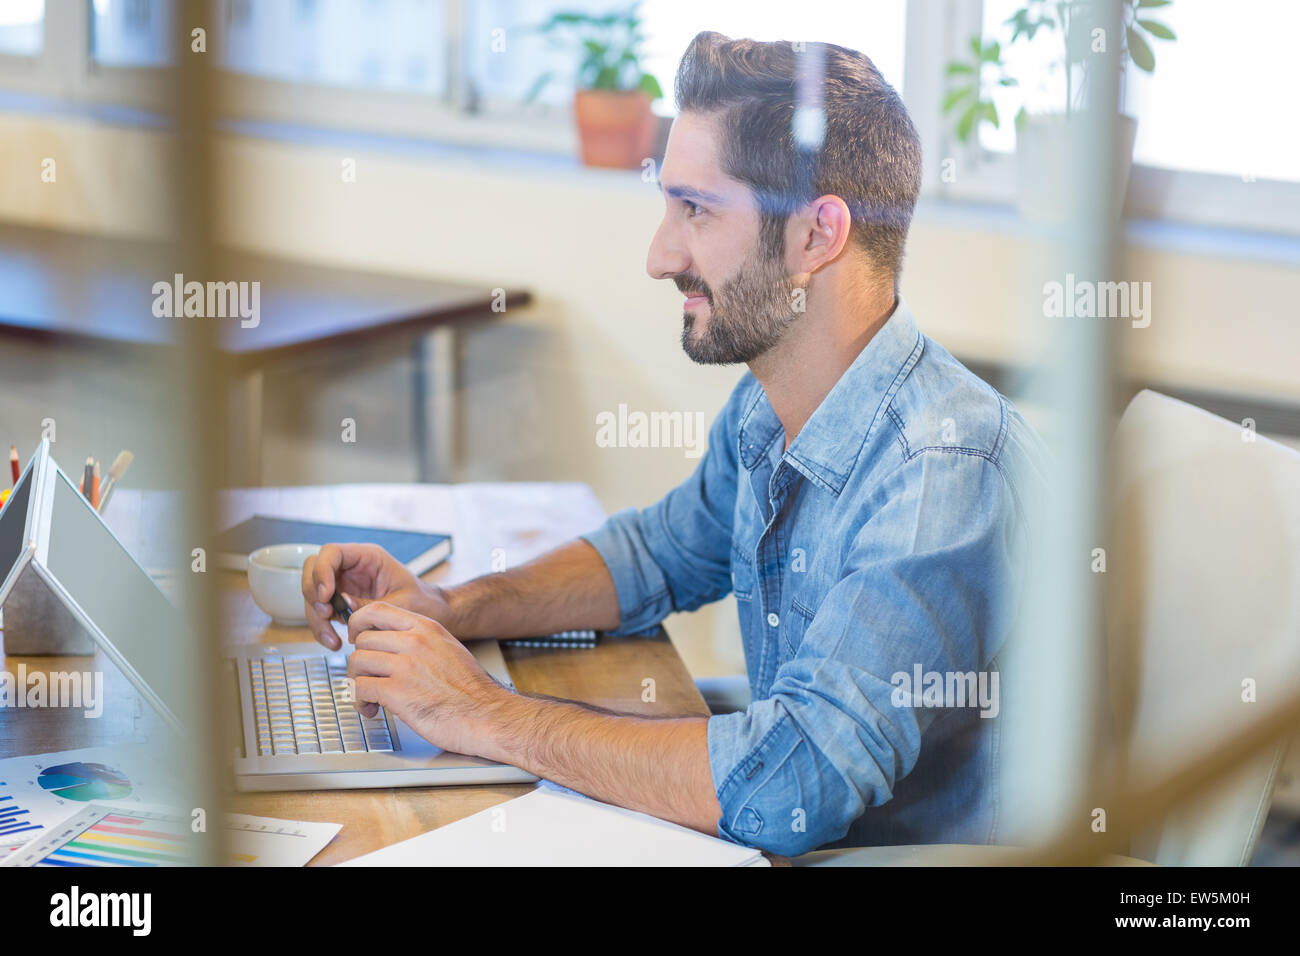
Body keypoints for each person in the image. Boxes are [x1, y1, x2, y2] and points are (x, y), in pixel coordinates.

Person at [301, 31, 1048, 857]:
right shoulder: (773, 404)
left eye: (696, 209)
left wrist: (478, 712)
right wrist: (451, 608)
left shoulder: (941, 470)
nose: (661, 257)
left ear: (816, 235)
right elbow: (657, 554)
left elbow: (796, 785)